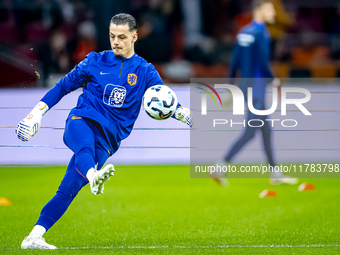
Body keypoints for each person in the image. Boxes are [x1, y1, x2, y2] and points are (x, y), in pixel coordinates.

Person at [16, 13, 193, 250]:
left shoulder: (146, 71)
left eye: (122, 37)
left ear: (134, 37)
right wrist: (36, 113)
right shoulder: (94, 61)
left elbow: (162, 101)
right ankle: (93, 175)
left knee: (68, 189)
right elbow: (62, 87)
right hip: (82, 121)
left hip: (107, 141)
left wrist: (184, 114)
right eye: (112, 36)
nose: (116, 41)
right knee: (84, 147)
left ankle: (34, 237)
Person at [210, 0, 297, 186]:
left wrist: (231, 86)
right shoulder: (261, 33)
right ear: (260, 10)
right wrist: (273, 79)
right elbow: (263, 62)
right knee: (251, 132)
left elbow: (235, 62)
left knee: (266, 131)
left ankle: (275, 173)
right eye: (271, 9)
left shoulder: (244, 33)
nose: (274, 13)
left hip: (245, 87)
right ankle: (221, 165)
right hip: (256, 88)